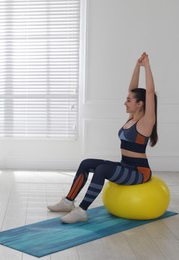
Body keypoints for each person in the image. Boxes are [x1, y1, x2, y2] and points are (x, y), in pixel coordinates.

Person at [47, 52, 158, 223]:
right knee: (87, 163)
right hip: (125, 165)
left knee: (102, 170)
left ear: (140, 104)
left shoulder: (146, 122)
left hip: (139, 172)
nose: (125, 102)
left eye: (129, 100)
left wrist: (147, 66)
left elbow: (149, 92)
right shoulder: (131, 119)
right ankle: (68, 202)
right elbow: (132, 89)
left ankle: (82, 211)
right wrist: (137, 66)